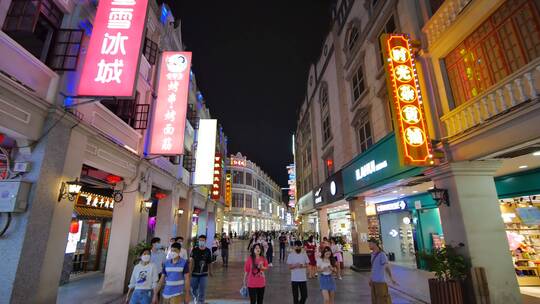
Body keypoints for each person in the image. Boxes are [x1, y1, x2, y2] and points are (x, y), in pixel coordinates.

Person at [368, 238, 397, 304]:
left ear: (375, 244)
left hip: (381, 282)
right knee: (374, 300)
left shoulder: (382, 254)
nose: (369, 245)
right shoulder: (372, 254)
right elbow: (373, 268)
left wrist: (391, 278)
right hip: (373, 282)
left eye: (370, 244)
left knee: (383, 300)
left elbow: (387, 267)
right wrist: (370, 278)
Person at [190, 234, 213, 304]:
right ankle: (195, 298)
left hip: (204, 273)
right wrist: (189, 271)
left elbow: (209, 262)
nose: (201, 242)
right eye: (200, 240)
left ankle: (201, 301)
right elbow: (191, 261)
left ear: (205, 241)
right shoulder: (194, 250)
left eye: (203, 240)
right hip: (194, 273)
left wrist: (210, 271)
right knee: (193, 288)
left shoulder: (208, 251)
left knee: (202, 289)